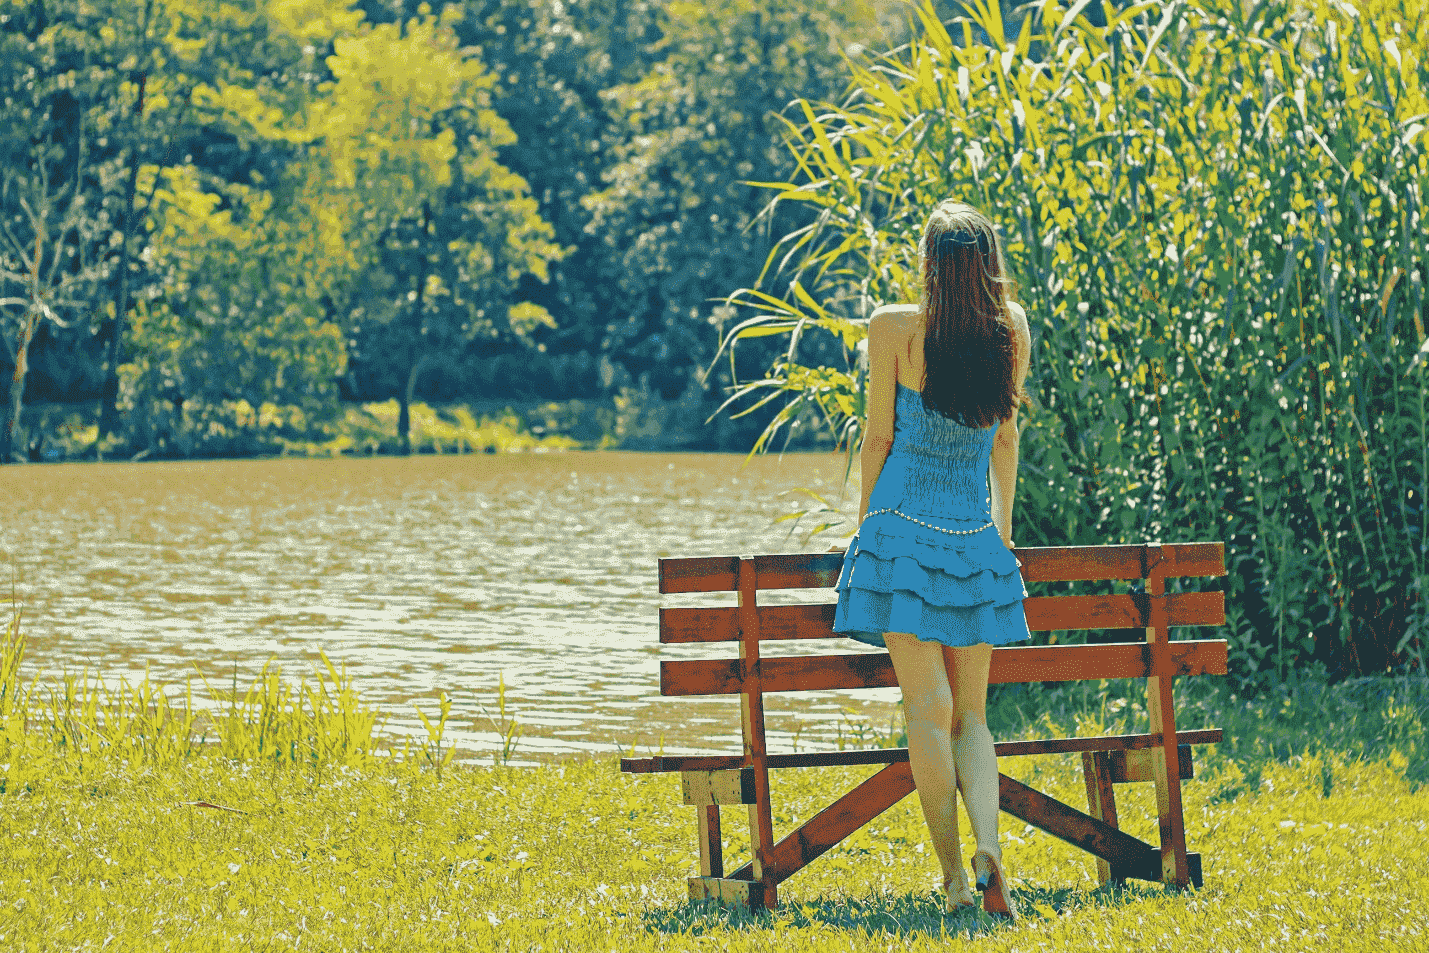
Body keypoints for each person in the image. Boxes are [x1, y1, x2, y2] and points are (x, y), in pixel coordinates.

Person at [832, 200, 1032, 920]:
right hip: (974, 539)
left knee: (927, 707)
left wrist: (866, 533)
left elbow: (878, 439)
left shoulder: (892, 328)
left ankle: (952, 880)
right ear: (985, 265)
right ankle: (990, 848)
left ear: (928, 265)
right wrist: (998, 534)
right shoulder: (1010, 328)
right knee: (971, 716)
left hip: (899, 534)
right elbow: (1003, 444)